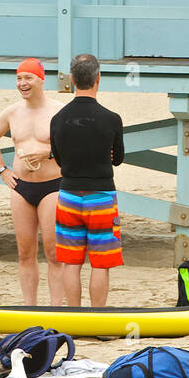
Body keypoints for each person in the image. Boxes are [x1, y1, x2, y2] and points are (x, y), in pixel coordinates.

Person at [0, 57, 64, 305]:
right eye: (19, 78)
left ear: (41, 80)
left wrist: (49, 153)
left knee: (53, 252)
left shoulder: (59, 111)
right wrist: (2, 170)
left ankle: (56, 308)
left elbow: (75, 145)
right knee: (25, 252)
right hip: (21, 186)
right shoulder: (12, 112)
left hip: (52, 185)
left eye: (28, 78)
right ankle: (30, 307)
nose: (22, 83)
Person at [50, 53, 124, 307]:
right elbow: (118, 158)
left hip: (68, 194)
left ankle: (74, 317)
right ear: (98, 79)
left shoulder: (58, 119)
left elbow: (59, 159)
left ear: (71, 79)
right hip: (101, 196)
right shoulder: (111, 119)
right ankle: (98, 318)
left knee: (71, 262)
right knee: (100, 263)